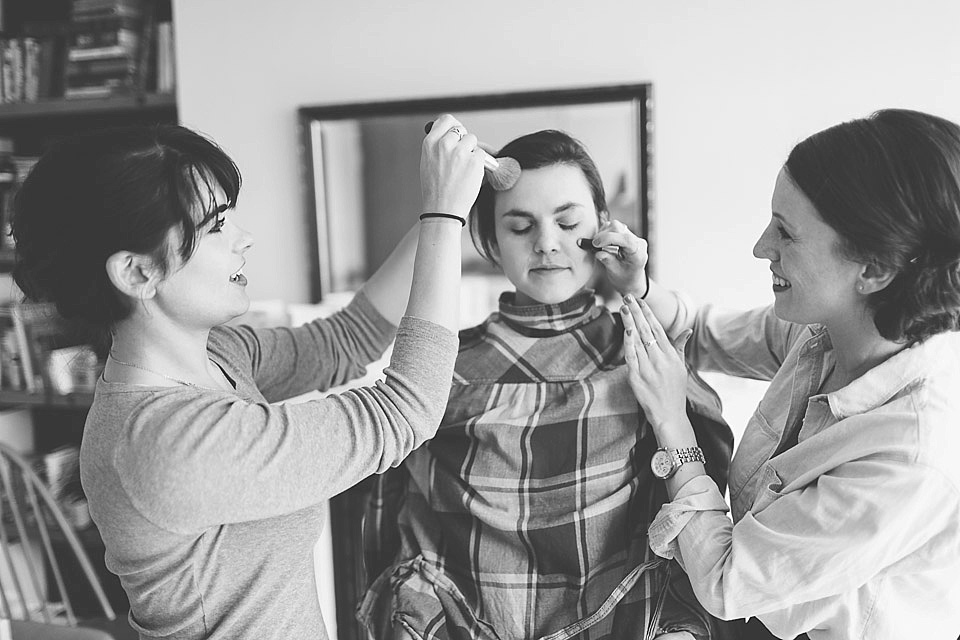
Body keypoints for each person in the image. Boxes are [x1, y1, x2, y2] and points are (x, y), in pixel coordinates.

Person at [10, 115, 485, 640]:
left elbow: (348, 339)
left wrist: (445, 204)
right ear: (138, 272)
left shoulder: (219, 357)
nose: (244, 238)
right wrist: (444, 218)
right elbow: (407, 413)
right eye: (216, 226)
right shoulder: (167, 443)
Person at [357, 130, 735, 640]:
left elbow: (700, 493)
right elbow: (397, 515)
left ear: (603, 227)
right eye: (520, 227)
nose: (547, 243)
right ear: (490, 242)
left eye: (568, 221)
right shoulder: (445, 367)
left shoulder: (647, 353)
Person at [605, 108, 960, 639]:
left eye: (787, 234)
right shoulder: (828, 332)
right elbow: (702, 335)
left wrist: (671, 422)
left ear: (874, 268)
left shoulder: (913, 452)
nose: (760, 247)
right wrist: (639, 286)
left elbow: (726, 582)